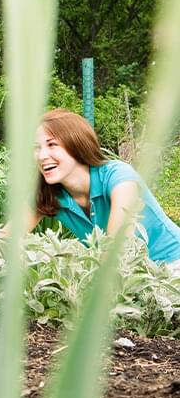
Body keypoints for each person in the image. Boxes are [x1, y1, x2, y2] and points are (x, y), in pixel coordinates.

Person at [25, 108, 180, 274]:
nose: (42, 156)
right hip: (131, 278)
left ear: (76, 145)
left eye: (52, 145)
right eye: (37, 148)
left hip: (172, 266)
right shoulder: (48, 193)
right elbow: (4, 238)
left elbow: (117, 249)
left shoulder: (119, 176)